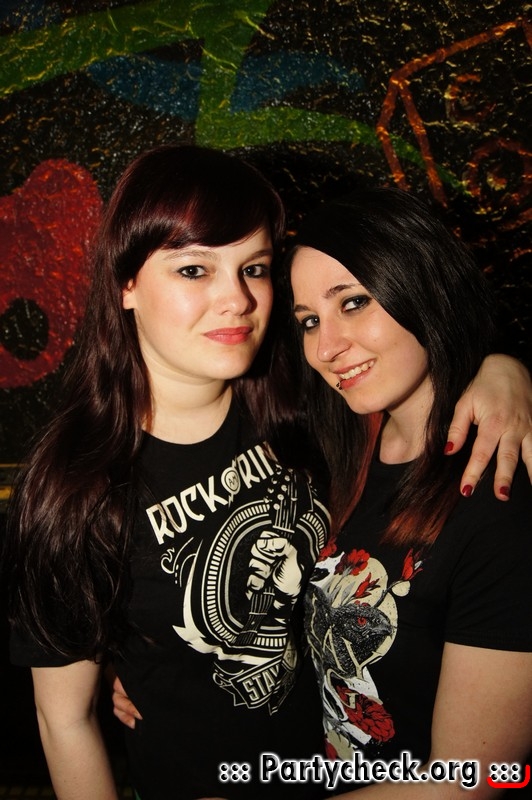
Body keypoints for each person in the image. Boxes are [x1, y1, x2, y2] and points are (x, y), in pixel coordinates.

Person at [5, 146, 532, 800]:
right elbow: (63, 719)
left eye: (253, 268)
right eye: (194, 269)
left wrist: (504, 371)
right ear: (126, 282)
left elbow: (414, 344)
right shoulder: (72, 486)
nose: (237, 300)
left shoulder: (304, 407)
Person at [286, 187, 532, 797]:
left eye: (353, 302)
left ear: (423, 284)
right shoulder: (337, 448)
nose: (325, 348)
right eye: (309, 320)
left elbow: (467, 783)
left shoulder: (498, 498)